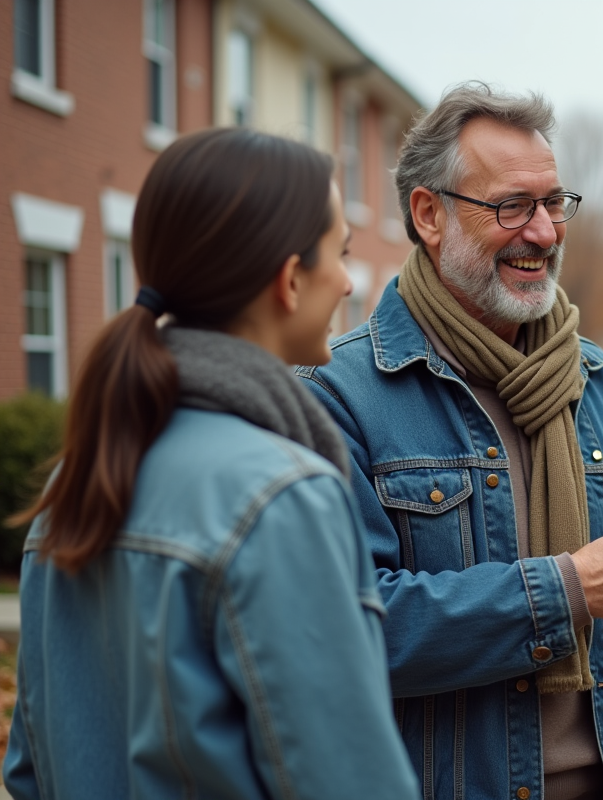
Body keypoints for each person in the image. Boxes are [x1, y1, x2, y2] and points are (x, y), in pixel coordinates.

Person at [297, 82, 603, 800]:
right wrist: (567, 591)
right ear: (429, 214)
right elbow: (346, 626)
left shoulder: (599, 383)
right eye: (511, 207)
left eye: (553, 203)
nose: (544, 233)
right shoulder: (337, 396)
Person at [3, 128, 419, 800]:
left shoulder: (76, 480)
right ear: (289, 279)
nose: (348, 282)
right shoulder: (282, 496)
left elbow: (31, 768)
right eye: (340, 253)